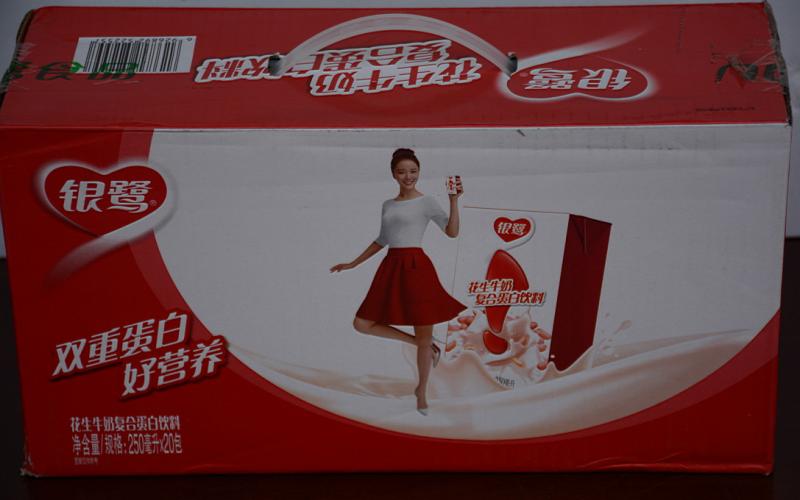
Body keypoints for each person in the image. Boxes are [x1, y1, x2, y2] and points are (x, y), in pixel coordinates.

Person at [330, 148, 466, 415]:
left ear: (419, 172)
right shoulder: (388, 205)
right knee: (362, 323)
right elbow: (382, 239)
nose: (408, 176)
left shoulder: (427, 202)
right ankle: (424, 345)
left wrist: (453, 201)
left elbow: (452, 232)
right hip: (391, 267)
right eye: (402, 172)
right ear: (393, 174)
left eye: (413, 171)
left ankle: (421, 392)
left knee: (423, 331)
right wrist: (353, 263)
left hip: (417, 268)